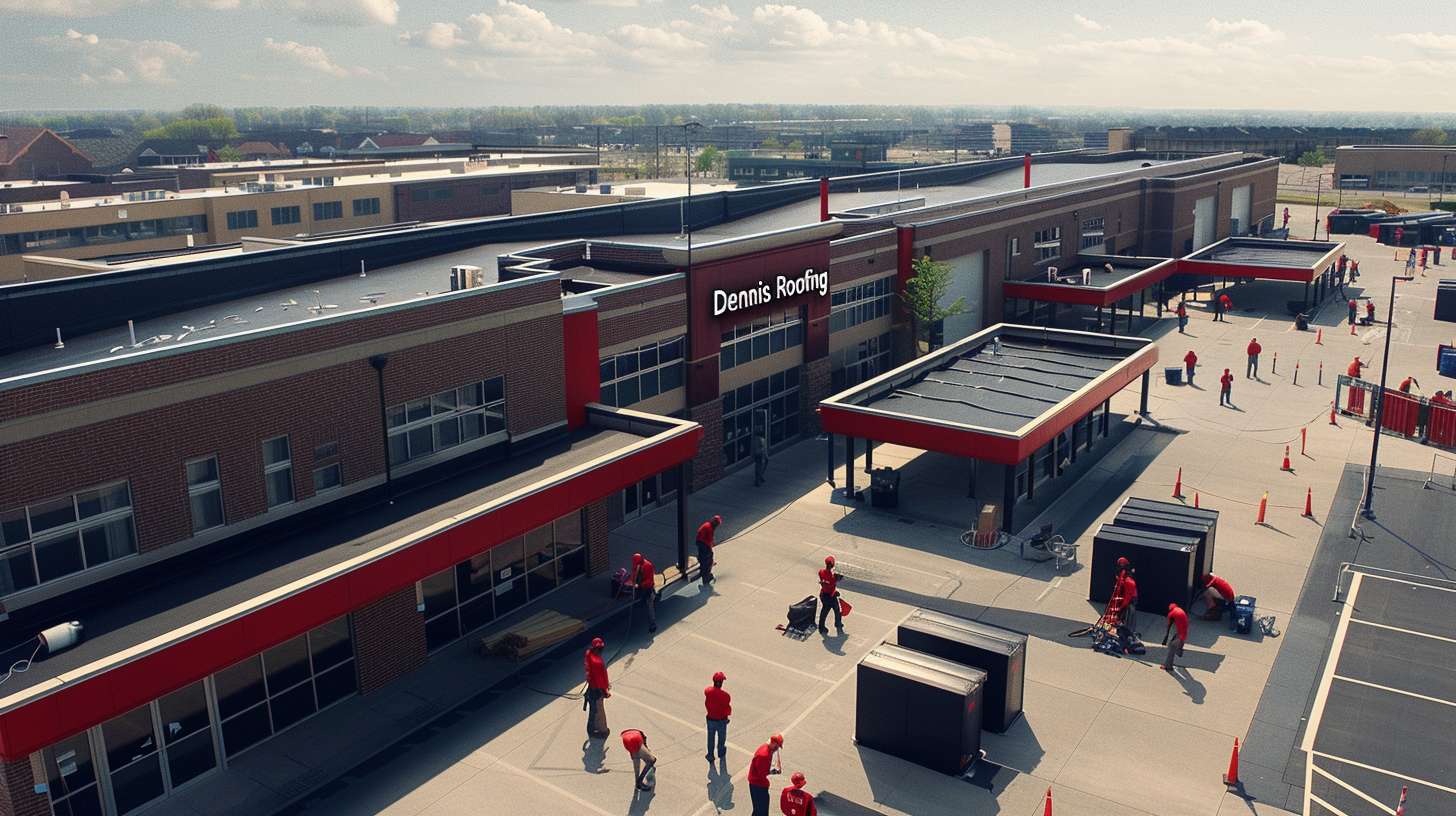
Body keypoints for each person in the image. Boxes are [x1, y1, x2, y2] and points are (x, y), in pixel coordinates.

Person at [748, 734, 784, 816]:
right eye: (777, 746)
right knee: (762, 811)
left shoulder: (766, 748)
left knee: (757, 809)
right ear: (773, 743)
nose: (777, 749)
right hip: (758, 785)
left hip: (755, 783)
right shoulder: (764, 755)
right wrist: (774, 771)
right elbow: (762, 773)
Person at [584, 637, 611, 738]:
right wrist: (605, 691)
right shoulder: (598, 663)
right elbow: (601, 680)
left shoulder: (589, 654)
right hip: (598, 689)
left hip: (592, 687)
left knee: (594, 709)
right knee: (599, 710)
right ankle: (602, 730)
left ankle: (594, 726)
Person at [705, 671, 731, 762]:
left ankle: (710, 755)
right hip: (721, 720)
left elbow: (707, 691)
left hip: (710, 719)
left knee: (710, 738)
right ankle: (721, 752)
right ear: (721, 683)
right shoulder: (726, 696)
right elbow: (727, 708)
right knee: (721, 738)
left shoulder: (708, 691)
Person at [631, 553, 657, 633]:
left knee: (650, 606)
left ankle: (653, 625)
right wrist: (634, 582)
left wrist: (641, 584)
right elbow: (634, 573)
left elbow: (650, 580)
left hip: (648, 588)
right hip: (641, 587)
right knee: (641, 604)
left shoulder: (648, 565)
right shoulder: (637, 565)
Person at [818, 555, 843, 633]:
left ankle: (821, 627)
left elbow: (827, 582)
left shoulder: (821, 572)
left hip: (823, 594)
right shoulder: (833, 577)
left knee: (824, 611)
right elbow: (836, 580)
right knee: (837, 610)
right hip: (831, 596)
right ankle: (837, 623)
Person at [1162, 603, 1189, 672]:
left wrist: (1166, 637)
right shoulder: (1180, 610)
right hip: (1184, 632)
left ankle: (1168, 666)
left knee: (1171, 648)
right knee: (1178, 643)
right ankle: (1179, 650)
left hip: (1178, 634)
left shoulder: (1171, 613)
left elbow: (1168, 625)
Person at [696, 515, 721, 586]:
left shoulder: (707, 524)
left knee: (702, 557)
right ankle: (706, 576)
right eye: (717, 524)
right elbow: (709, 540)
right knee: (708, 559)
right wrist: (711, 546)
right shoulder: (710, 528)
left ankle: (702, 571)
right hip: (703, 543)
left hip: (699, 542)